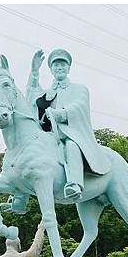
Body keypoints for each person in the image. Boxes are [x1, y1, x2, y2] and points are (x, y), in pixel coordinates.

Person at [26, 48, 110, 202]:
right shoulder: (47, 93)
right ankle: (20, 195)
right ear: (51, 69)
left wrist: (60, 114)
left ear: (68, 68)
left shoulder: (79, 89)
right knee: (28, 151)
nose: (59, 68)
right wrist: (34, 71)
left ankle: (75, 184)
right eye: (56, 65)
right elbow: (31, 98)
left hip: (71, 134)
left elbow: (79, 106)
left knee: (71, 145)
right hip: (49, 136)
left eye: (62, 65)